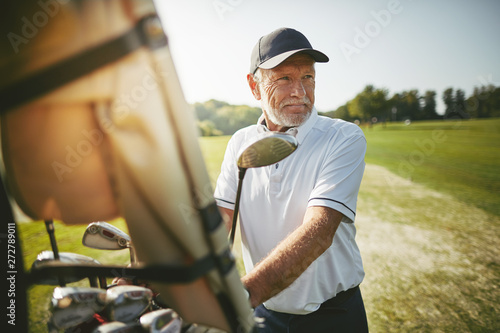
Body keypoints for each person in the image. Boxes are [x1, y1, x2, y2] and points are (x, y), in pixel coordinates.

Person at [214, 27, 369, 332]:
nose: (300, 91)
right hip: (262, 311)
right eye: (284, 78)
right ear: (255, 86)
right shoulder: (239, 142)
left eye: (308, 77)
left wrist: (244, 293)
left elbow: (319, 231)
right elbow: (222, 218)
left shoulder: (343, 136)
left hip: (333, 316)